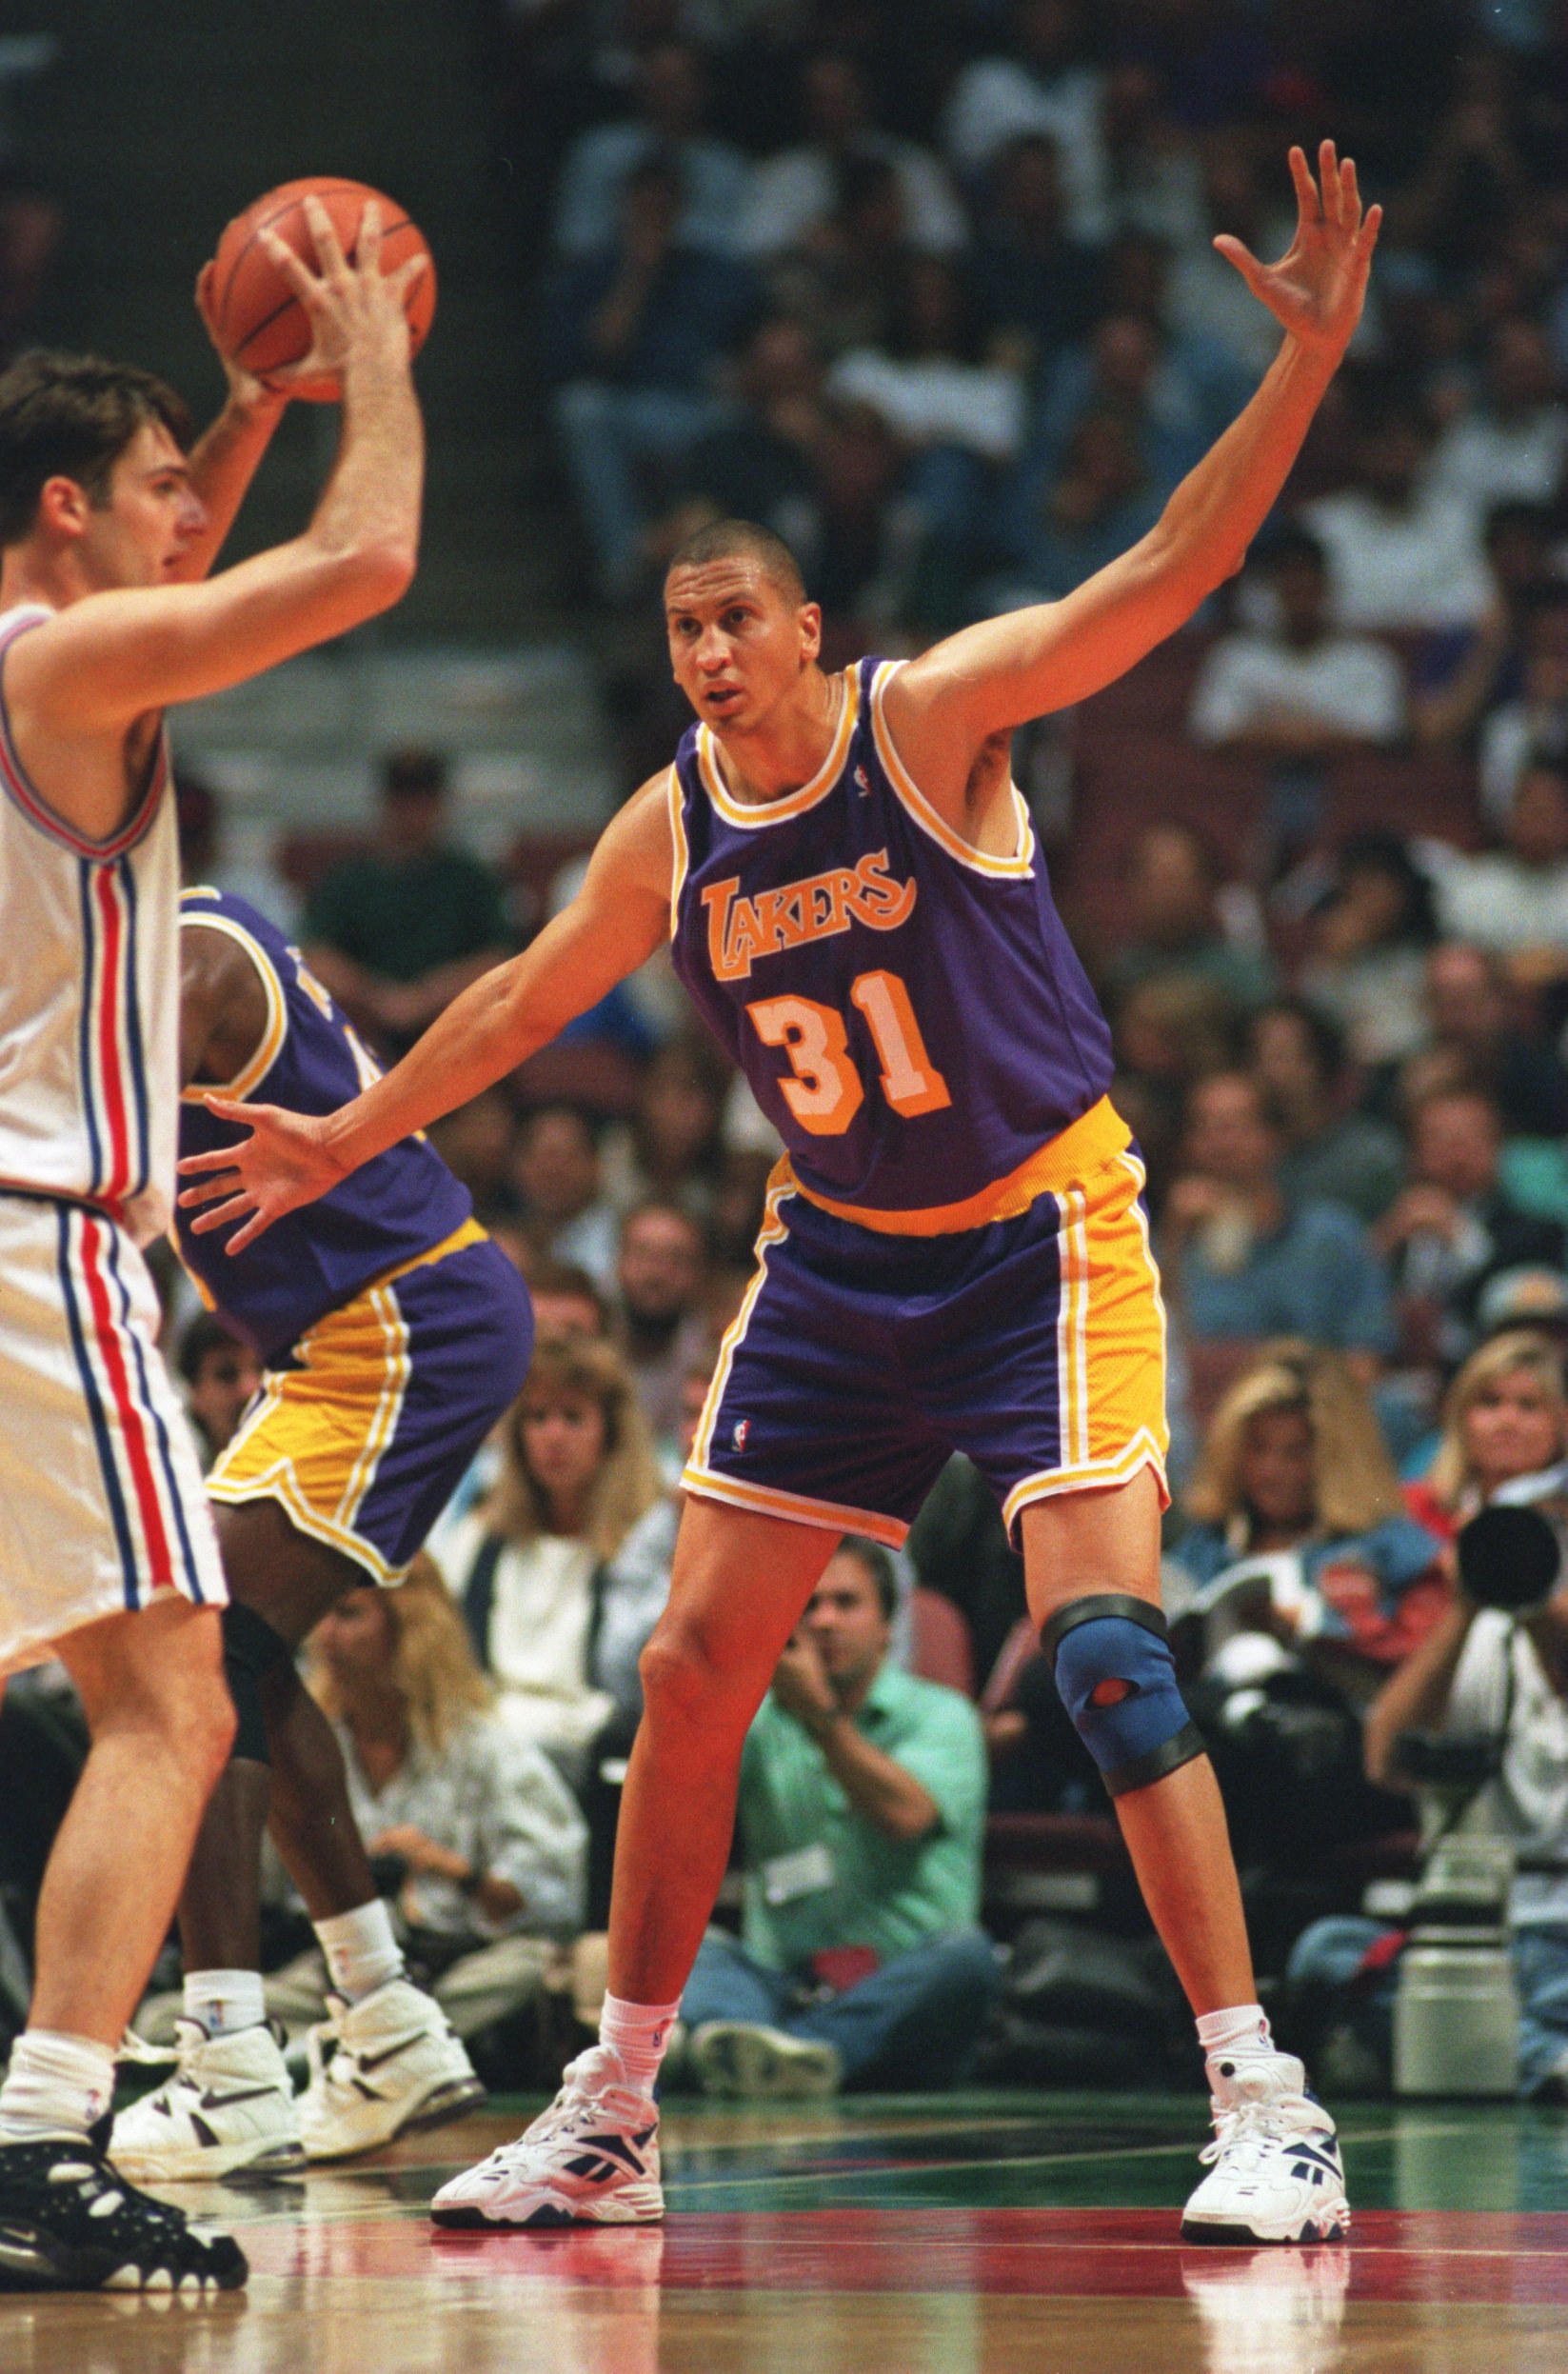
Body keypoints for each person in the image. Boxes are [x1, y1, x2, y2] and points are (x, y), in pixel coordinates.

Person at [182, 142, 1379, 2246]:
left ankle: (1264, 2094)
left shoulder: (930, 724)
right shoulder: (674, 819)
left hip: (1039, 1241)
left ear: (808, 629)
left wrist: (1296, 372)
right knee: (683, 1676)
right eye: (678, 631)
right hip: (832, 1266)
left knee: (1105, 1653)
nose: (706, 655)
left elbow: (1157, 579)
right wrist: (338, 1138)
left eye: (733, 619)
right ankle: (615, 2104)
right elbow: (521, 1000)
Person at [0, 193, 425, 2291]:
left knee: (124, 1697)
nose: (198, 517)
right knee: (178, 1694)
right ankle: (44, 2133)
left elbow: (186, 555)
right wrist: (378, 352)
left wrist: (248, 400)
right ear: (69, 510)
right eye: (167, 487)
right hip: (32, 1241)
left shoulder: (46, 644)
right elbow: (361, 568)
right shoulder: (67, 657)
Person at [107, 885, 534, 2184]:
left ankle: (229, 2059)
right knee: (225, 1658)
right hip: (337, 1346)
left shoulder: (181, 962)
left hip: (403, 1322)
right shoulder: (128, 958)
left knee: (199, 1661)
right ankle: (384, 2017)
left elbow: (99, 1147)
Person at [679, 1538, 998, 2098]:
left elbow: (905, 1815)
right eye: (808, 1605)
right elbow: (684, 1804)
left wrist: (820, 1717)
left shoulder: (942, 1716)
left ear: (887, 1627)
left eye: (846, 1603)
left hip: (897, 1989)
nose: (824, 1621)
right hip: (781, 1981)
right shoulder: (757, 1716)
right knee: (693, 1950)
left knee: (966, 1959)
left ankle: (782, 2053)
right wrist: (727, 1675)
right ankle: (788, 2056)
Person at [263, 1557, 587, 2077]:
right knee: (168, 2017)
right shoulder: (307, 1745)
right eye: (318, 1614)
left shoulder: (489, 1750)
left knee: (528, 1969)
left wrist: (451, 1870)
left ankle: (347, 2048)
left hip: (457, 1963)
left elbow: (552, 1905)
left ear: (409, 1629)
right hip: (342, 1966)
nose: (324, 1635)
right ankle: (377, 2045)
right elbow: (272, 1893)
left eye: (348, 1614)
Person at [429, 1335, 662, 1792]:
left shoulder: (642, 1544)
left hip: (597, 1766)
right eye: (538, 1417)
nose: (554, 1436)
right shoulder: (481, 1538)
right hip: (488, 1758)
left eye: (573, 1418)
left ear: (611, 1434)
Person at [300, 748, 513, 1059]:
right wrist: (379, 997)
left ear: (441, 803)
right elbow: (315, 956)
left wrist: (428, 996)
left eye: (424, 800)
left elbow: (500, 958)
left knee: (487, 1106)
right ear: (385, 802)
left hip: (457, 1035)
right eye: (403, 799)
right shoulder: (348, 878)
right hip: (364, 1035)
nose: (414, 811)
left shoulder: (472, 878)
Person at [176, 1309, 261, 1466]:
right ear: (196, 1394)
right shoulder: (185, 1489)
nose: (249, 1389)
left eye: (262, 1369)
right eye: (226, 1375)